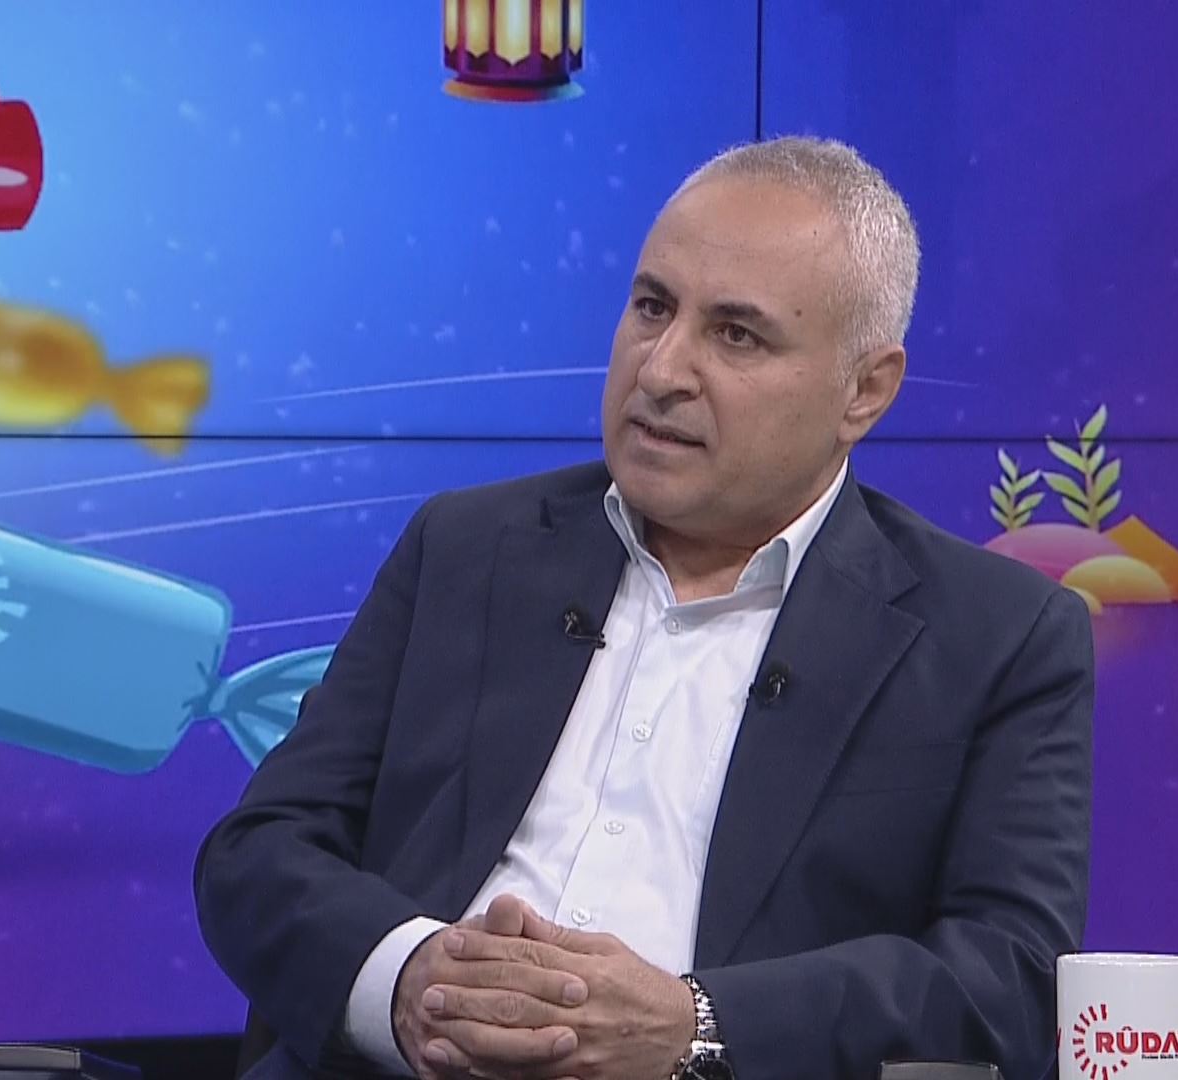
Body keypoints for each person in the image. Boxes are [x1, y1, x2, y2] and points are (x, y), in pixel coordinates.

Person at [195, 136, 1095, 1080]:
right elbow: (260, 851)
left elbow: (1009, 980)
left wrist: (695, 1027)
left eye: (736, 335)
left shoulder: (998, 637)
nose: (662, 370)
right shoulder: (465, 548)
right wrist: (409, 980)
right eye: (653, 307)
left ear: (864, 391)